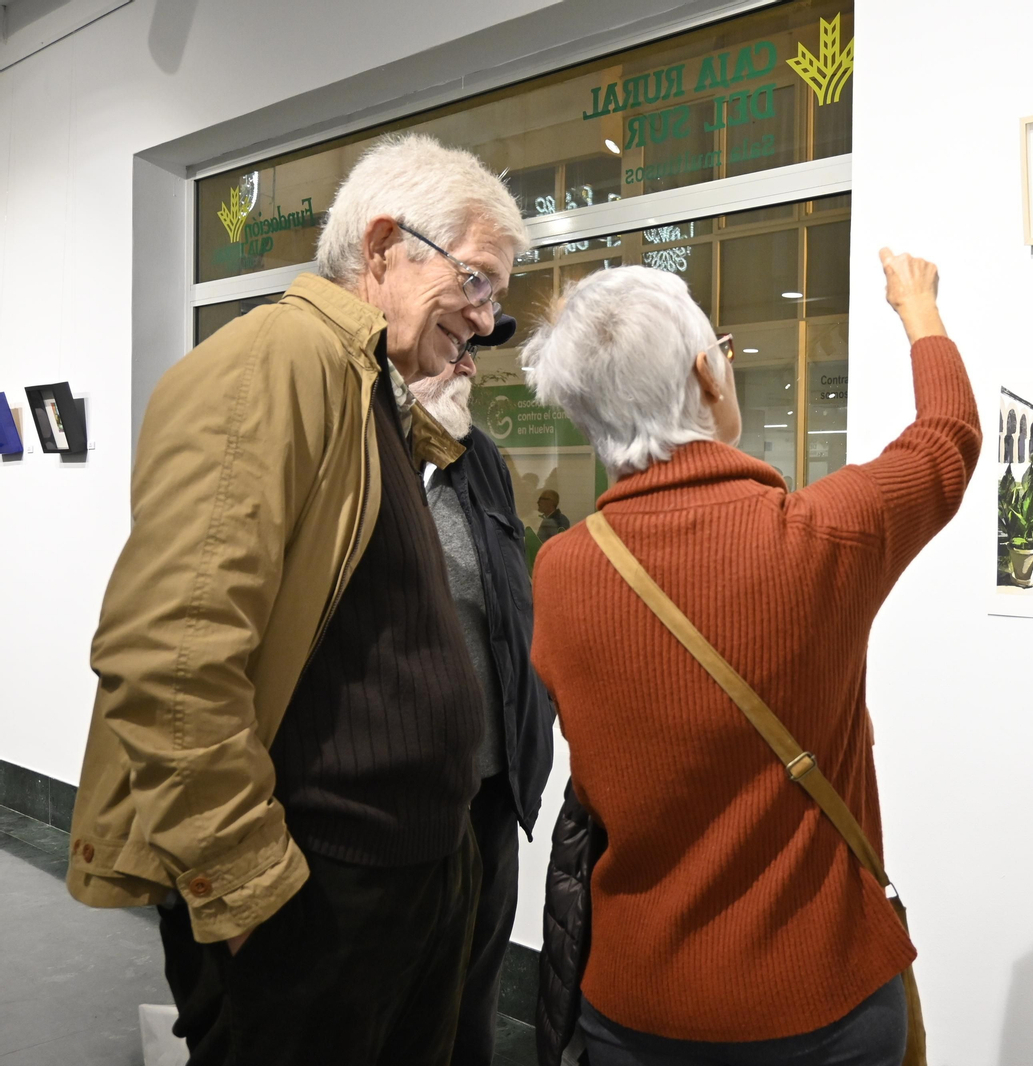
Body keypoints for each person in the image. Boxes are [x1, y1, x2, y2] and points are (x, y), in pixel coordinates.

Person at [67, 131, 527, 1065]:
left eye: (496, 298)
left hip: (404, 878)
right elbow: (170, 656)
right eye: (475, 282)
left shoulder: (366, 389)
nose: (484, 320)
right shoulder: (274, 363)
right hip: (318, 894)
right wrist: (243, 887)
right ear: (383, 246)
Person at [523, 249, 980, 1065]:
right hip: (822, 1010)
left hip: (634, 1009)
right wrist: (918, 307)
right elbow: (947, 438)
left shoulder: (562, 569)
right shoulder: (818, 538)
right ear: (709, 374)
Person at [411, 315, 558, 1066]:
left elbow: (509, 602)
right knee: (400, 1000)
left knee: (474, 990)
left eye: (473, 353)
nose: (467, 367)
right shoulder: (352, 462)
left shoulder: (481, 460)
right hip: (396, 795)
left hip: (491, 785)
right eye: (451, 349)